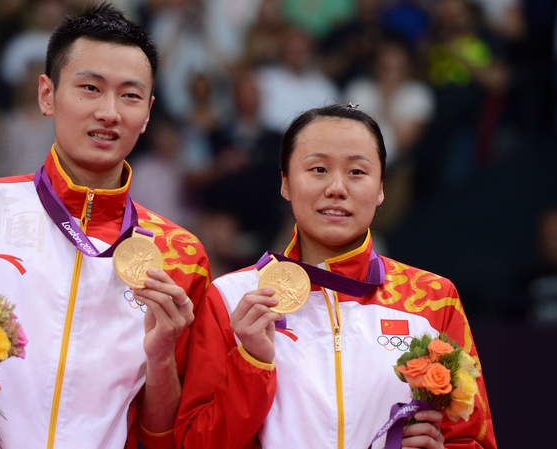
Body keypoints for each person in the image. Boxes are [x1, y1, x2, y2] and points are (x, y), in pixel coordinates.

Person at [0, 4, 211, 449]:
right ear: (46, 95)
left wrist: (161, 356)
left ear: (147, 113)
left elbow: (164, 433)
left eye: (129, 96)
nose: (109, 112)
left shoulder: (180, 255)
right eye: (90, 88)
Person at [175, 104, 496, 448]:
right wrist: (251, 362)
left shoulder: (432, 299)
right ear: (285, 182)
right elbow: (195, 442)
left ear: (381, 188)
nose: (337, 188)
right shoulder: (231, 298)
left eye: (357, 172)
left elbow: (472, 438)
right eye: (318, 169)